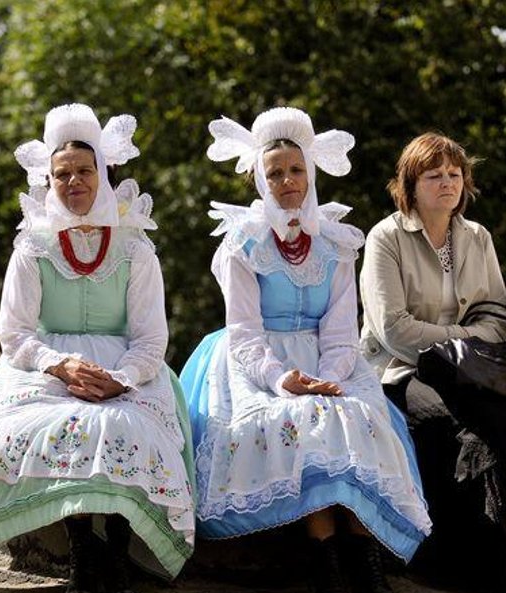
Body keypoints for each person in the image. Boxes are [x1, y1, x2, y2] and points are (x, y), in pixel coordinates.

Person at [0, 104, 196, 593]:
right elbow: (14, 334)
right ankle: (82, 553)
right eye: (62, 174)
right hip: (44, 369)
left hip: (126, 367)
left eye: (84, 170)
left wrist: (119, 378)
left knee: (126, 424)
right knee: (59, 426)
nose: (73, 181)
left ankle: (118, 550)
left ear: (104, 173)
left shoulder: (135, 249)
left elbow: (150, 337)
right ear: (47, 180)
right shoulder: (33, 246)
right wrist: (60, 365)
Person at [180, 107, 431, 593]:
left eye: (296, 170)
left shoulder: (335, 244)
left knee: (353, 416)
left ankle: (365, 559)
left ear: (310, 174)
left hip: (326, 359)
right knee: (298, 421)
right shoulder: (243, 244)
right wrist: (281, 379)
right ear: (260, 180)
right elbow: (244, 330)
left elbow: (341, 330)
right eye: (275, 173)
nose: (287, 181)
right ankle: (328, 561)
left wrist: (329, 377)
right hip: (254, 361)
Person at [360, 132, 506, 593]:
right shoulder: (385, 237)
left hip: (472, 369)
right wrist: (459, 340)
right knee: (457, 424)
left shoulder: (477, 236)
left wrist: (461, 343)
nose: (448, 183)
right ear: (410, 185)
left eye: (454, 174)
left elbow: (496, 316)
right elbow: (394, 329)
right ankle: (469, 560)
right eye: (434, 175)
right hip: (403, 370)